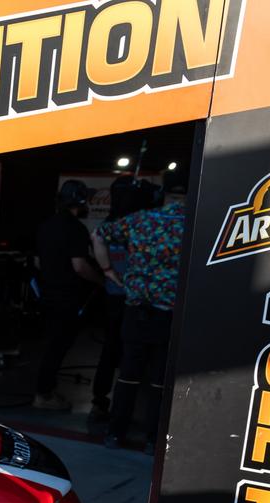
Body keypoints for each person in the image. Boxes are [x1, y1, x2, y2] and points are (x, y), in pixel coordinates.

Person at [99, 172, 186, 452]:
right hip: (170, 313)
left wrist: (109, 272)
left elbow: (97, 235)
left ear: (164, 194)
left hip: (137, 310)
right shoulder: (196, 222)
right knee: (160, 379)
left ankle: (115, 434)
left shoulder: (142, 219)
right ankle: (153, 439)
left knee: (128, 374)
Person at [88, 177, 158, 422]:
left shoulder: (113, 225)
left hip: (115, 296)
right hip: (134, 299)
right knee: (137, 353)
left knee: (112, 350)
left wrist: (107, 271)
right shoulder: (140, 225)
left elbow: (96, 240)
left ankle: (103, 401)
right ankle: (125, 406)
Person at [32, 180, 102, 410]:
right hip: (66, 297)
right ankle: (44, 395)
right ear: (79, 201)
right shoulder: (76, 229)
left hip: (47, 294)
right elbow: (80, 266)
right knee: (58, 346)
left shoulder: (46, 225)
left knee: (52, 344)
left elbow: (38, 261)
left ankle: (45, 391)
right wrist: (102, 280)